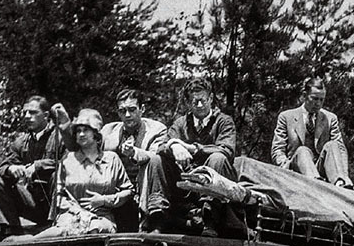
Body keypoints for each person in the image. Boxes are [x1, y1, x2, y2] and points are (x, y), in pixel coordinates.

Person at [145, 83, 237, 231]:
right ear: (188, 103)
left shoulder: (224, 121)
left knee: (218, 158)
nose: (199, 105)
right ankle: (158, 217)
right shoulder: (181, 123)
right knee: (156, 160)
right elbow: (161, 147)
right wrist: (174, 145)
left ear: (211, 98)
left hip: (217, 182)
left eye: (203, 100)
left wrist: (192, 149)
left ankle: (210, 220)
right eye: (195, 102)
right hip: (185, 181)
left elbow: (226, 149)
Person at [37, 109, 134, 236]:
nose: (81, 134)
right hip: (70, 216)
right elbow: (59, 196)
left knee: (94, 229)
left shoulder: (111, 159)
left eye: (86, 130)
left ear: (95, 133)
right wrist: (79, 212)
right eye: (78, 131)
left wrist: (104, 200)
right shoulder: (68, 160)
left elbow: (128, 191)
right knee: (61, 232)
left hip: (101, 218)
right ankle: (24, 242)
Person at [0, 95, 65, 237]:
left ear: (46, 115)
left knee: (57, 174)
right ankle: (11, 229)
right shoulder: (21, 142)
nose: (27, 116)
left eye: (33, 112)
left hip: (57, 203)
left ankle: (54, 224)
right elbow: (1, 168)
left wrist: (37, 166)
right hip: (32, 202)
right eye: (25, 113)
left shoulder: (60, 137)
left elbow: (67, 163)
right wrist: (11, 169)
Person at [100, 88, 168, 231]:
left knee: (154, 161)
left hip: (145, 184)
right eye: (122, 111)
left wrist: (134, 153)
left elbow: (155, 157)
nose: (127, 115)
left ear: (142, 109)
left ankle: (154, 221)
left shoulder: (157, 129)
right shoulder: (108, 131)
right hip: (118, 187)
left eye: (132, 109)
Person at [271, 78, 352, 187]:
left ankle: (340, 184)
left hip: (320, 171)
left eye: (321, 100)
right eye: (314, 99)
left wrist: (344, 175)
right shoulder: (286, 117)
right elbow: (277, 150)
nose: (318, 104)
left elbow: (340, 150)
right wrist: (285, 169)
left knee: (333, 145)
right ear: (304, 96)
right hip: (295, 170)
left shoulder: (330, 118)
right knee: (303, 151)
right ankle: (315, 185)